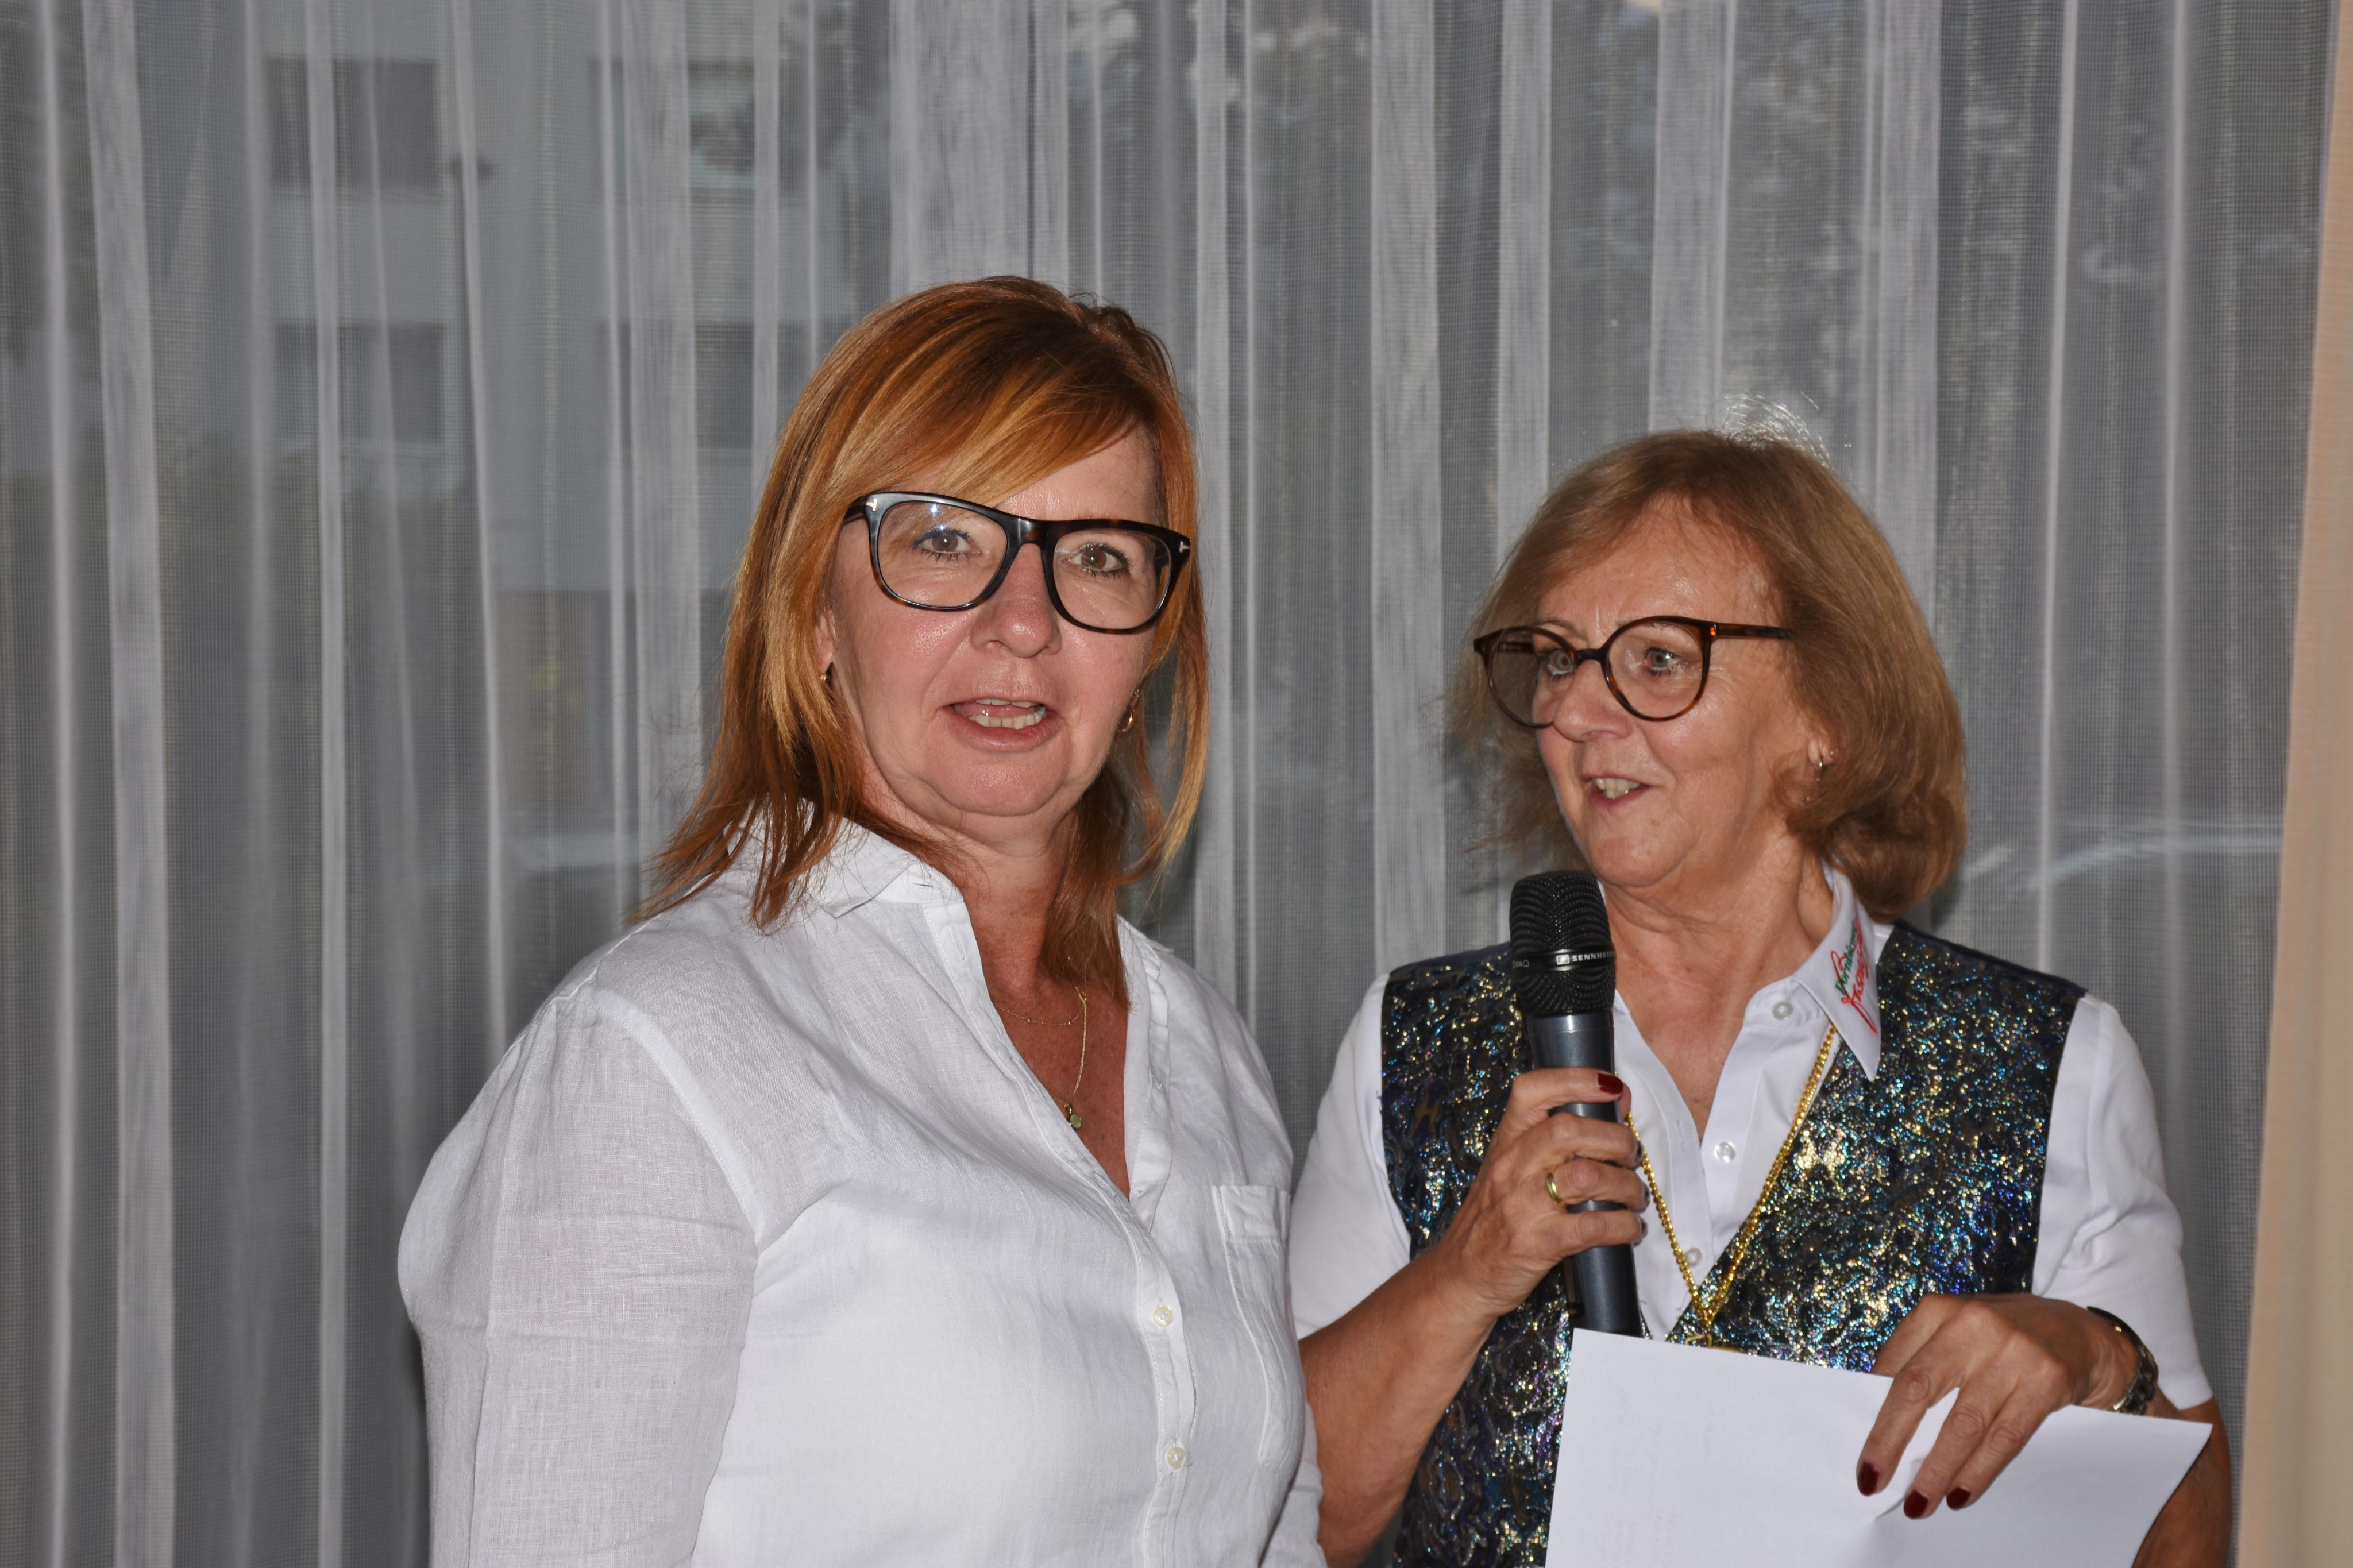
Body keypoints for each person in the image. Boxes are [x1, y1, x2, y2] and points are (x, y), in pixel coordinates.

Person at [400, 277, 1321, 1565]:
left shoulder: (1203, 1048)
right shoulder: (656, 1056)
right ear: (816, 609)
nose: (1023, 622)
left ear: (1151, 646)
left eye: (1098, 557)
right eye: (943, 540)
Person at [1286, 431, 2230, 1567]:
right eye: (1556, 658)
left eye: (1656, 659)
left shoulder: (2049, 1063)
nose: (1576, 714)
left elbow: (2186, 1545)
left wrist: (2095, 1359)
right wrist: (1465, 1273)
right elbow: (1285, 1521)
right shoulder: (1412, 1043)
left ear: (1828, 711)